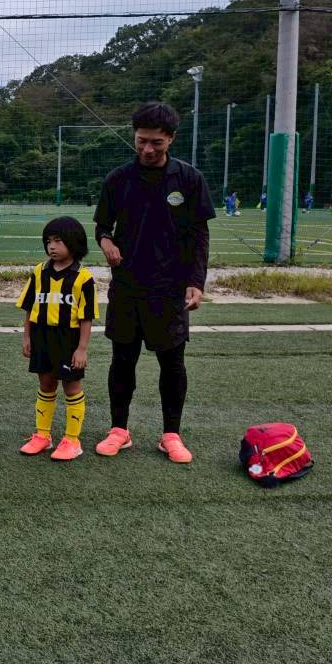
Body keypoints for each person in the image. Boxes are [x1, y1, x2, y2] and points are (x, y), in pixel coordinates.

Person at [93, 102, 215, 464]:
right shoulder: (118, 179)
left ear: (171, 139)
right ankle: (119, 430)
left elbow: (199, 236)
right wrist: (106, 242)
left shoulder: (189, 179)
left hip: (169, 288)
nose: (147, 149)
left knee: (172, 363)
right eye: (141, 141)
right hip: (127, 286)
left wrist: (196, 281)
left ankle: (171, 435)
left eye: (156, 143)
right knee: (122, 361)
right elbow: (102, 226)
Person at [17, 217, 97, 460]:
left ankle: (72, 440)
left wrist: (82, 348)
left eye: (58, 241)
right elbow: (29, 308)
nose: (51, 246)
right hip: (41, 335)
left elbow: (86, 318)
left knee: (71, 387)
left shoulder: (83, 278)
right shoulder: (39, 272)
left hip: (68, 338)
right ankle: (43, 436)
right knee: (46, 383)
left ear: (74, 243)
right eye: (48, 241)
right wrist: (27, 337)